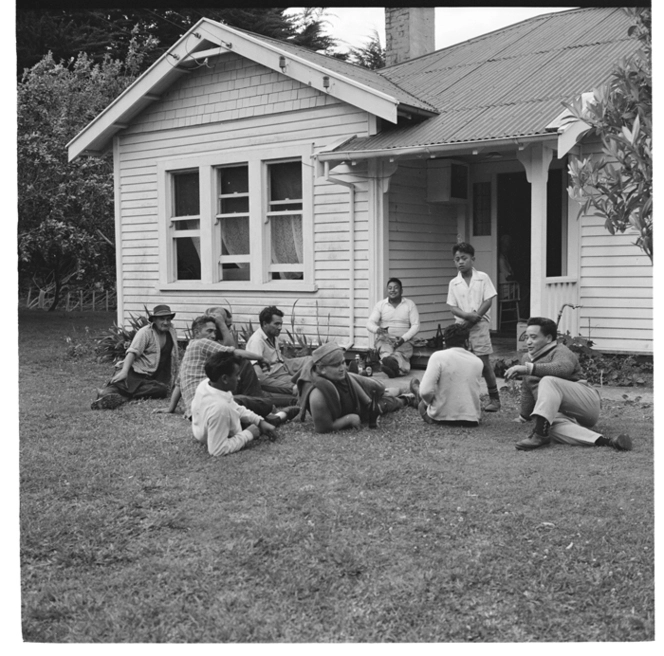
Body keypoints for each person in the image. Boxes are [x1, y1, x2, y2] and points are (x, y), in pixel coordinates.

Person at [505, 317, 632, 451]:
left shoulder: (561, 351)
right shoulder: (526, 358)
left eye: (533, 337)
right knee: (552, 428)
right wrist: (523, 416)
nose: (529, 342)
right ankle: (608, 441)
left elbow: (563, 369)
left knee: (547, 380)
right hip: (558, 411)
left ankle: (539, 434)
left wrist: (528, 369)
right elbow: (528, 387)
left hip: (585, 403)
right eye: (527, 337)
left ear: (548, 338)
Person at [154, 315, 298, 424]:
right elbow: (233, 351)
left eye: (214, 332)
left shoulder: (189, 351)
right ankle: (272, 409)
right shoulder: (202, 343)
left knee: (245, 391)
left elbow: (179, 385)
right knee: (244, 366)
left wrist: (171, 408)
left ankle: (275, 406)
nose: (212, 335)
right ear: (197, 332)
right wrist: (261, 358)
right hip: (209, 405)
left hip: (196, 411)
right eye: (209, 331)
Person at [295, 342, 418, 433]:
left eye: (343, 362)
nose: (342, 368)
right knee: (386, 403)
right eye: (336, 365)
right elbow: (323, 428)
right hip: (355, 408)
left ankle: (401, 390)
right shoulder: (318, 395)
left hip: (358, 399)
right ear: (322, 369)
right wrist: (348, 420)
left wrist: (369, 403)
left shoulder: (341, 376)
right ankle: (408, 399)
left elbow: (351, 380)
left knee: (380, 390)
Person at [91, 304, 180, 410]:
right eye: (162, 319)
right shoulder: (145, 333)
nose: (165, 322)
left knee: (162, 390)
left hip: (153, 376)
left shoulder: (172, 332)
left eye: (168, 319)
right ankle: (110, 393)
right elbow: (132, 352)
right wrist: (124, 371)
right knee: (129, 382)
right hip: (137, 371)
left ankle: (115, 395)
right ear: (154, 320)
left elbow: (173, 356)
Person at [446, 242, 501, 412]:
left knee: (483, 363)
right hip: (461, 327)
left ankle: (494, 399)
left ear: (473, 259)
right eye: (457, 259)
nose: (460, 262)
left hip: (480, 325)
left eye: (464, 258)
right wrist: (466, 316)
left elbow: (488, 299)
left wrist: (475, 317)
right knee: (460, 363)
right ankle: (462, 399)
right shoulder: (454, 283)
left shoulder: (482, 278)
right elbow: (453, 306)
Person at [191, 352, 279, 457]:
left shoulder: (205, 384)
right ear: (224, 379)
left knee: (260, 409)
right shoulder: (220, 408)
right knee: (267, 404)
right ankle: (280, 416)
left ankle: (273, 418)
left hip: (211, 426)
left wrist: (259, 421)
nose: (239, 379)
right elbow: (217, 450)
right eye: (237, 375)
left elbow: (234, 407)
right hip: (225, 428)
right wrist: (249, 434)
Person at [412, 323, 483, 426]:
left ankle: (414, 393)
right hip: (471, 420)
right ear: (467, 342)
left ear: (445, 342)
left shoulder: (438, 356)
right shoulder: (478, 362)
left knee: (421, 402)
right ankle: (414, 393)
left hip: (439, 418)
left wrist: (428, 403)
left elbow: (425, 391)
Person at [245, 306, 311, 398]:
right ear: (265, 323)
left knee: (312, 360)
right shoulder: (257, 341)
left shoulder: (272, 335)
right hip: (274, 373)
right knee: (303, 383)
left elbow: (277, 356)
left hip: (284, 363)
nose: (280, 327)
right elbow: (258, 375)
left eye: (281, 324)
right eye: (276, 324)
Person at [366, 278, 420, 378]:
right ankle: (397, 369)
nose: (392, 290)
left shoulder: (409, 304)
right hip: (385, 339)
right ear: (387, 290)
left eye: (396, 288)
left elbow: (416, 326)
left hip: (403, 340)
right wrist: (377, 329)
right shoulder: (381, 305)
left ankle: (392, 368)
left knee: (400, 354)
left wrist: (403, 338)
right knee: (386, 353)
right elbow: (370, 323)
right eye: (390, 288)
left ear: (401, 290)